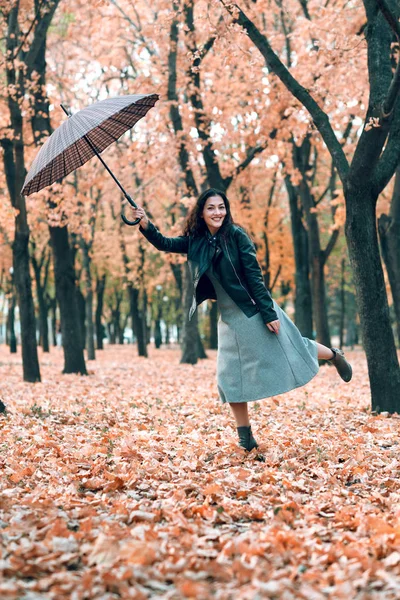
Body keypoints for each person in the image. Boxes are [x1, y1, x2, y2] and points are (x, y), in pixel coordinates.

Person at [130, 188, 352, 453]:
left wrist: (268, 313)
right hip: (228, 320)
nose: (217, 213)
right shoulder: (197, 240)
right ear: (201, 212)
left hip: (254, 311)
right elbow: (164, 243)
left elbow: (254, 275)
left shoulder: (236, 236)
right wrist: (144, 222)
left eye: (221, 207)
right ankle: (246, 438)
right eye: (211, 208)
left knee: (294, 345)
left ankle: (334, 356)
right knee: (230, 378)